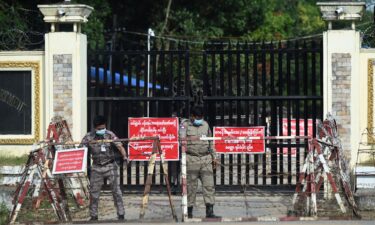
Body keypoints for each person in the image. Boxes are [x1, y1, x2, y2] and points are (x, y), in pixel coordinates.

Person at [81, 115, 127, 221]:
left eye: (103, 128)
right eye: (99, 129)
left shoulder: (110, 135)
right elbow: (80, 149)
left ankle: (121, 213)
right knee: (94, 193)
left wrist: (124, 156)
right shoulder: (89, 137)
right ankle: (93, 215)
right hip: (96, 167)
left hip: (110, 166)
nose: (102, 130)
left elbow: (119, 146)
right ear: (95, 128)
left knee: (116, 191)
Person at [180, 106, 220, 218]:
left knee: (209, 185)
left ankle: (210, 210)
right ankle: (189, 211)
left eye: (201, 117)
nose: (199, 119)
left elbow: (211, 142)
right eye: (197, 117)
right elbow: (180, 142)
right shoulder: (184, 126)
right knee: (190, 186)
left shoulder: (206, 125)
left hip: (205, 159)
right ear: (191, 116)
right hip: (191, 159)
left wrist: (214, 157)